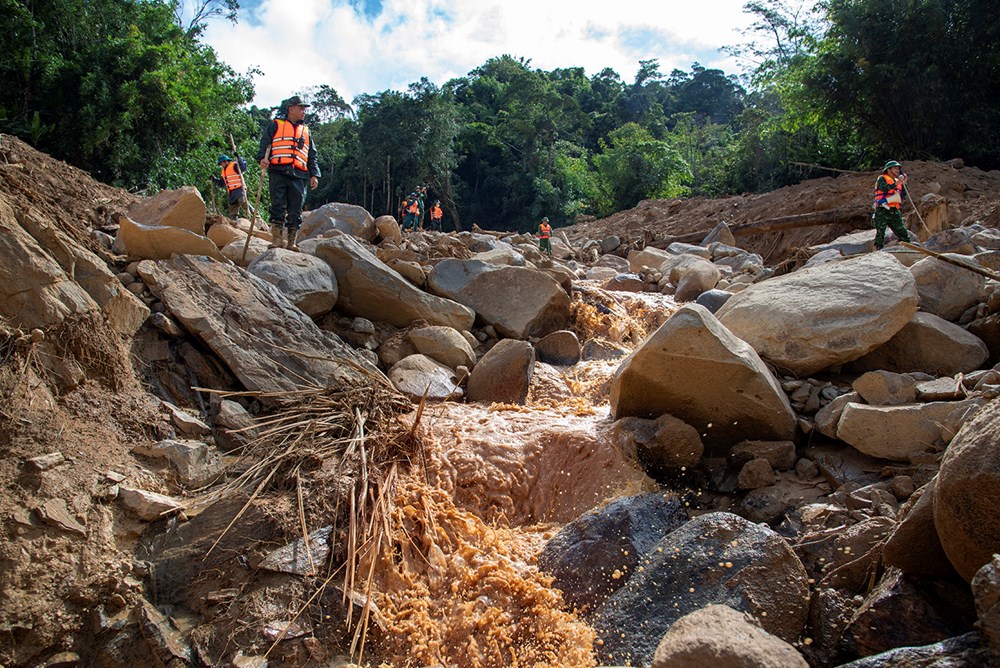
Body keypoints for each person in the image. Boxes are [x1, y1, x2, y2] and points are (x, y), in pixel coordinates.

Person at [256, 95, 320, 251]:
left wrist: (314, 174)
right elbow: (265, 144)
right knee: (277, 205)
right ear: (291, 109)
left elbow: (312, 155)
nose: (303, 112)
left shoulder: (305, 131)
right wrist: (261, 159)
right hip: (278, 171)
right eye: (301, 108)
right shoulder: (275, 125)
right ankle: (277, 239)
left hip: (299, 174)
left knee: (295, 209)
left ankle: (291, 241)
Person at [872, 160, 911, 250]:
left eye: (898, 168)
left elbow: (903, 195)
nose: (897, 170)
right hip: (882, 209)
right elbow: (884, 188)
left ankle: (906, 248)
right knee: (880, 232)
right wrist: (897, 183)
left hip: (893, 210)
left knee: (902, 232)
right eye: (895, 168)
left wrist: (904, 183)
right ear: (888, 170)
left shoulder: (897, 181)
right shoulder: (882, 178)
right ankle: (877, 250)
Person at [211, 154, 248, 219]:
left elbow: (243, 168)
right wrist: (214, 180)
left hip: (239, 189)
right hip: (232, 192)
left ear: (226, 161)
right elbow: (222, 184)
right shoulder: (224, 171)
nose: (221, 165)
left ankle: (255, 217)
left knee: (243, 203)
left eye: (221, 163)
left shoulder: (234, 166)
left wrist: (239, 158)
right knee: (233, 208)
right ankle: (234, 222)